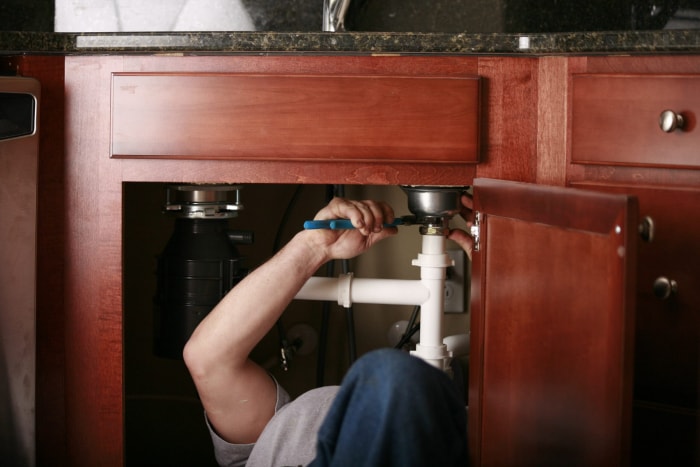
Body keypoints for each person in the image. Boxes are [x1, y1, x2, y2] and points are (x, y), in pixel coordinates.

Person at [184, 194, 475, 467]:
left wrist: (314, 247)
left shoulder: (267, 448)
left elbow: (210, 359)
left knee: (392, 375)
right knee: (392, 374)